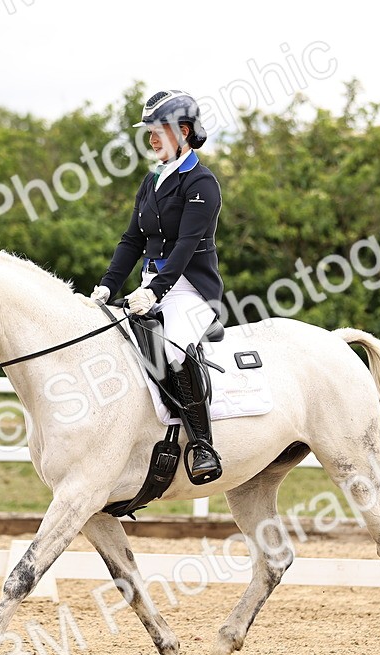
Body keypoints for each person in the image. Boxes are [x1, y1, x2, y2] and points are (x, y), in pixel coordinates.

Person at [89, 90, 224, 484]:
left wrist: (156, 291)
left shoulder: (202, 183)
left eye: (158, 131)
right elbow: (132, 240)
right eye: (149, 132)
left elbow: (185, 246)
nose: (151, 139)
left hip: (190, 289)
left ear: (183, 132)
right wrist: (107, 285)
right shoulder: (152, 180)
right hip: (150, 284)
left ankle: (202, 444)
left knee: (175, 351)